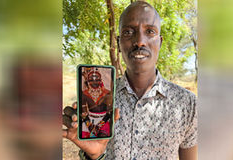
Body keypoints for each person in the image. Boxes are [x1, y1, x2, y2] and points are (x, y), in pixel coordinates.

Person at [63, 1, 197, 159]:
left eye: (150, 31)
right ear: (119, 44)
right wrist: (95, 156)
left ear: (159, 42)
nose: (140, 41)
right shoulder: (99, 103)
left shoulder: (187, 104)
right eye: (128, 32)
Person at [81, 69, 113, 138]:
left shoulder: (107, 93)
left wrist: (98, 126)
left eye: (97, 80)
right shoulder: (85, 94)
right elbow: (83, 113)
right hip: (89, 120)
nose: (94, 82)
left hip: (104, 120)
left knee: (102, 136)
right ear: (88, 81)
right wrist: (89, 126)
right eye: (91, 80)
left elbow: (109, 113)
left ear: (101, 81)